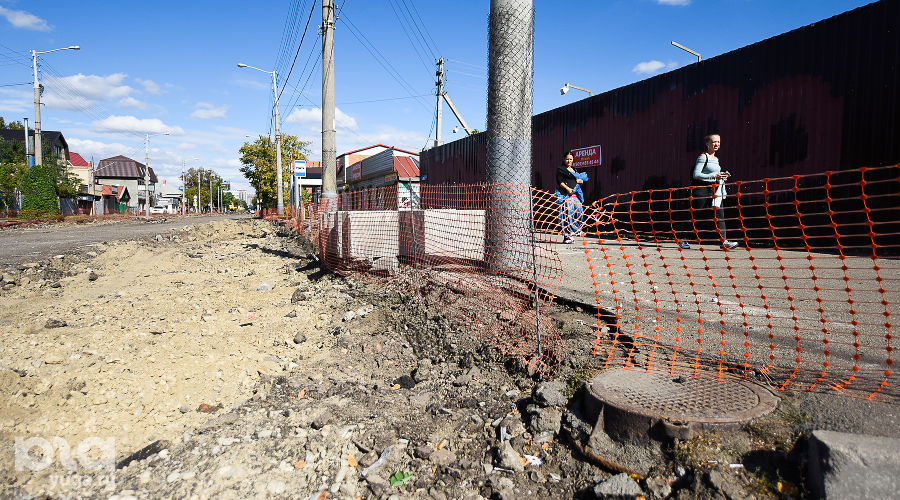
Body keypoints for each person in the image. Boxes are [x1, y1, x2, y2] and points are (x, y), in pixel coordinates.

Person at [684, 134, 738, 249]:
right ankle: (683, 239)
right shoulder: (703, 157)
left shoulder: (716, 159)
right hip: (701, 190)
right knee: (695, 214)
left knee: (719, 215)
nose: (716, 144)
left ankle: (724, 242)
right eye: (714, 142)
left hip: (714, 190)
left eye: (718, 142)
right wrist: (715, 176)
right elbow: (696, 175)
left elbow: (714, 175)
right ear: (707, 144)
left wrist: (722, 176)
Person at [555, 151, 588, 244]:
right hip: (567, 197)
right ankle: (567, 237)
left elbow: (580, 180)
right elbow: (560, 182)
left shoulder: (574, 170)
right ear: (563, 159)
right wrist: (567, 188)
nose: (569, 161)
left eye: (570, 159)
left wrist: (581, 181)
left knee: (579, 214)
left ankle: (574, 232)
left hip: (575, 197)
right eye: (567, 159)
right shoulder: (561, 170)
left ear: (573, 160)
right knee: (567, 216)